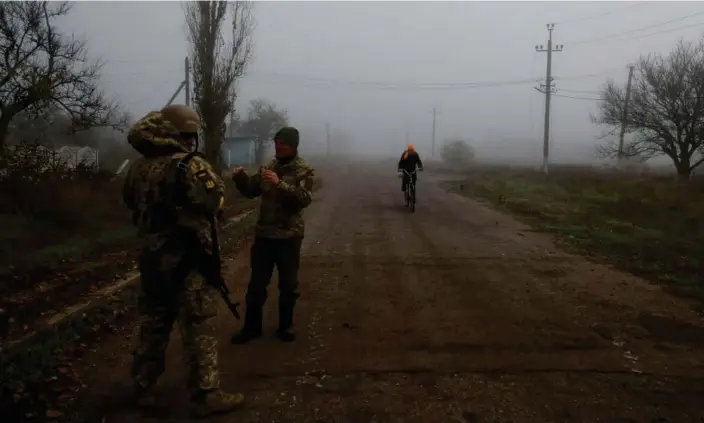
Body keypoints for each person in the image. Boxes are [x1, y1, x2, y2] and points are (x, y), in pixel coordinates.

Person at [122, 104, 244, 417]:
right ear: (182, 135)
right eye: (190, 135)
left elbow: (129, 202)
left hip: (151, 261)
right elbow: (215, 198)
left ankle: (142, 385)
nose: (192, 140)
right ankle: (206, 394)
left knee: (154, 324)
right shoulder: (190, 165)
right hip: (189, 261)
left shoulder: (137, 167)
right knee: (199, 324)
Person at [230, 126, 315, 344]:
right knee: (256, 285)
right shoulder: (269, 167)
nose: (279, 147)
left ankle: (286, 326)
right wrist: (240, 178)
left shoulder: (303, 170)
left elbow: (304, 199)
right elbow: (251, 191)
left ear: (293, 146)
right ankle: (251, 328)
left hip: (288, 237)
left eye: (283, 144)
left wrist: (281, 184)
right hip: (264, 236)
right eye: (276, 143)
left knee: (288, 285)